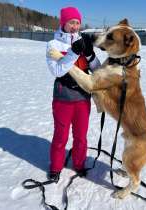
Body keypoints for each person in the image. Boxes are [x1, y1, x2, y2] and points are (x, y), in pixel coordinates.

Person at [46, 6, 101, 182]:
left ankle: (79, 164)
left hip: (83, 98)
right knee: (60, 136)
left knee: (81, 136)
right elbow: (58, 71)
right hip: (63, 98)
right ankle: (55, 167)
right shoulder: (53, 45)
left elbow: (97, 70)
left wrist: (90, 55)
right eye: (71, 22)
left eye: (77, 22)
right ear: (63, 23)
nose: (75, 26)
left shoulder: (83, 41)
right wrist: (73, 52)